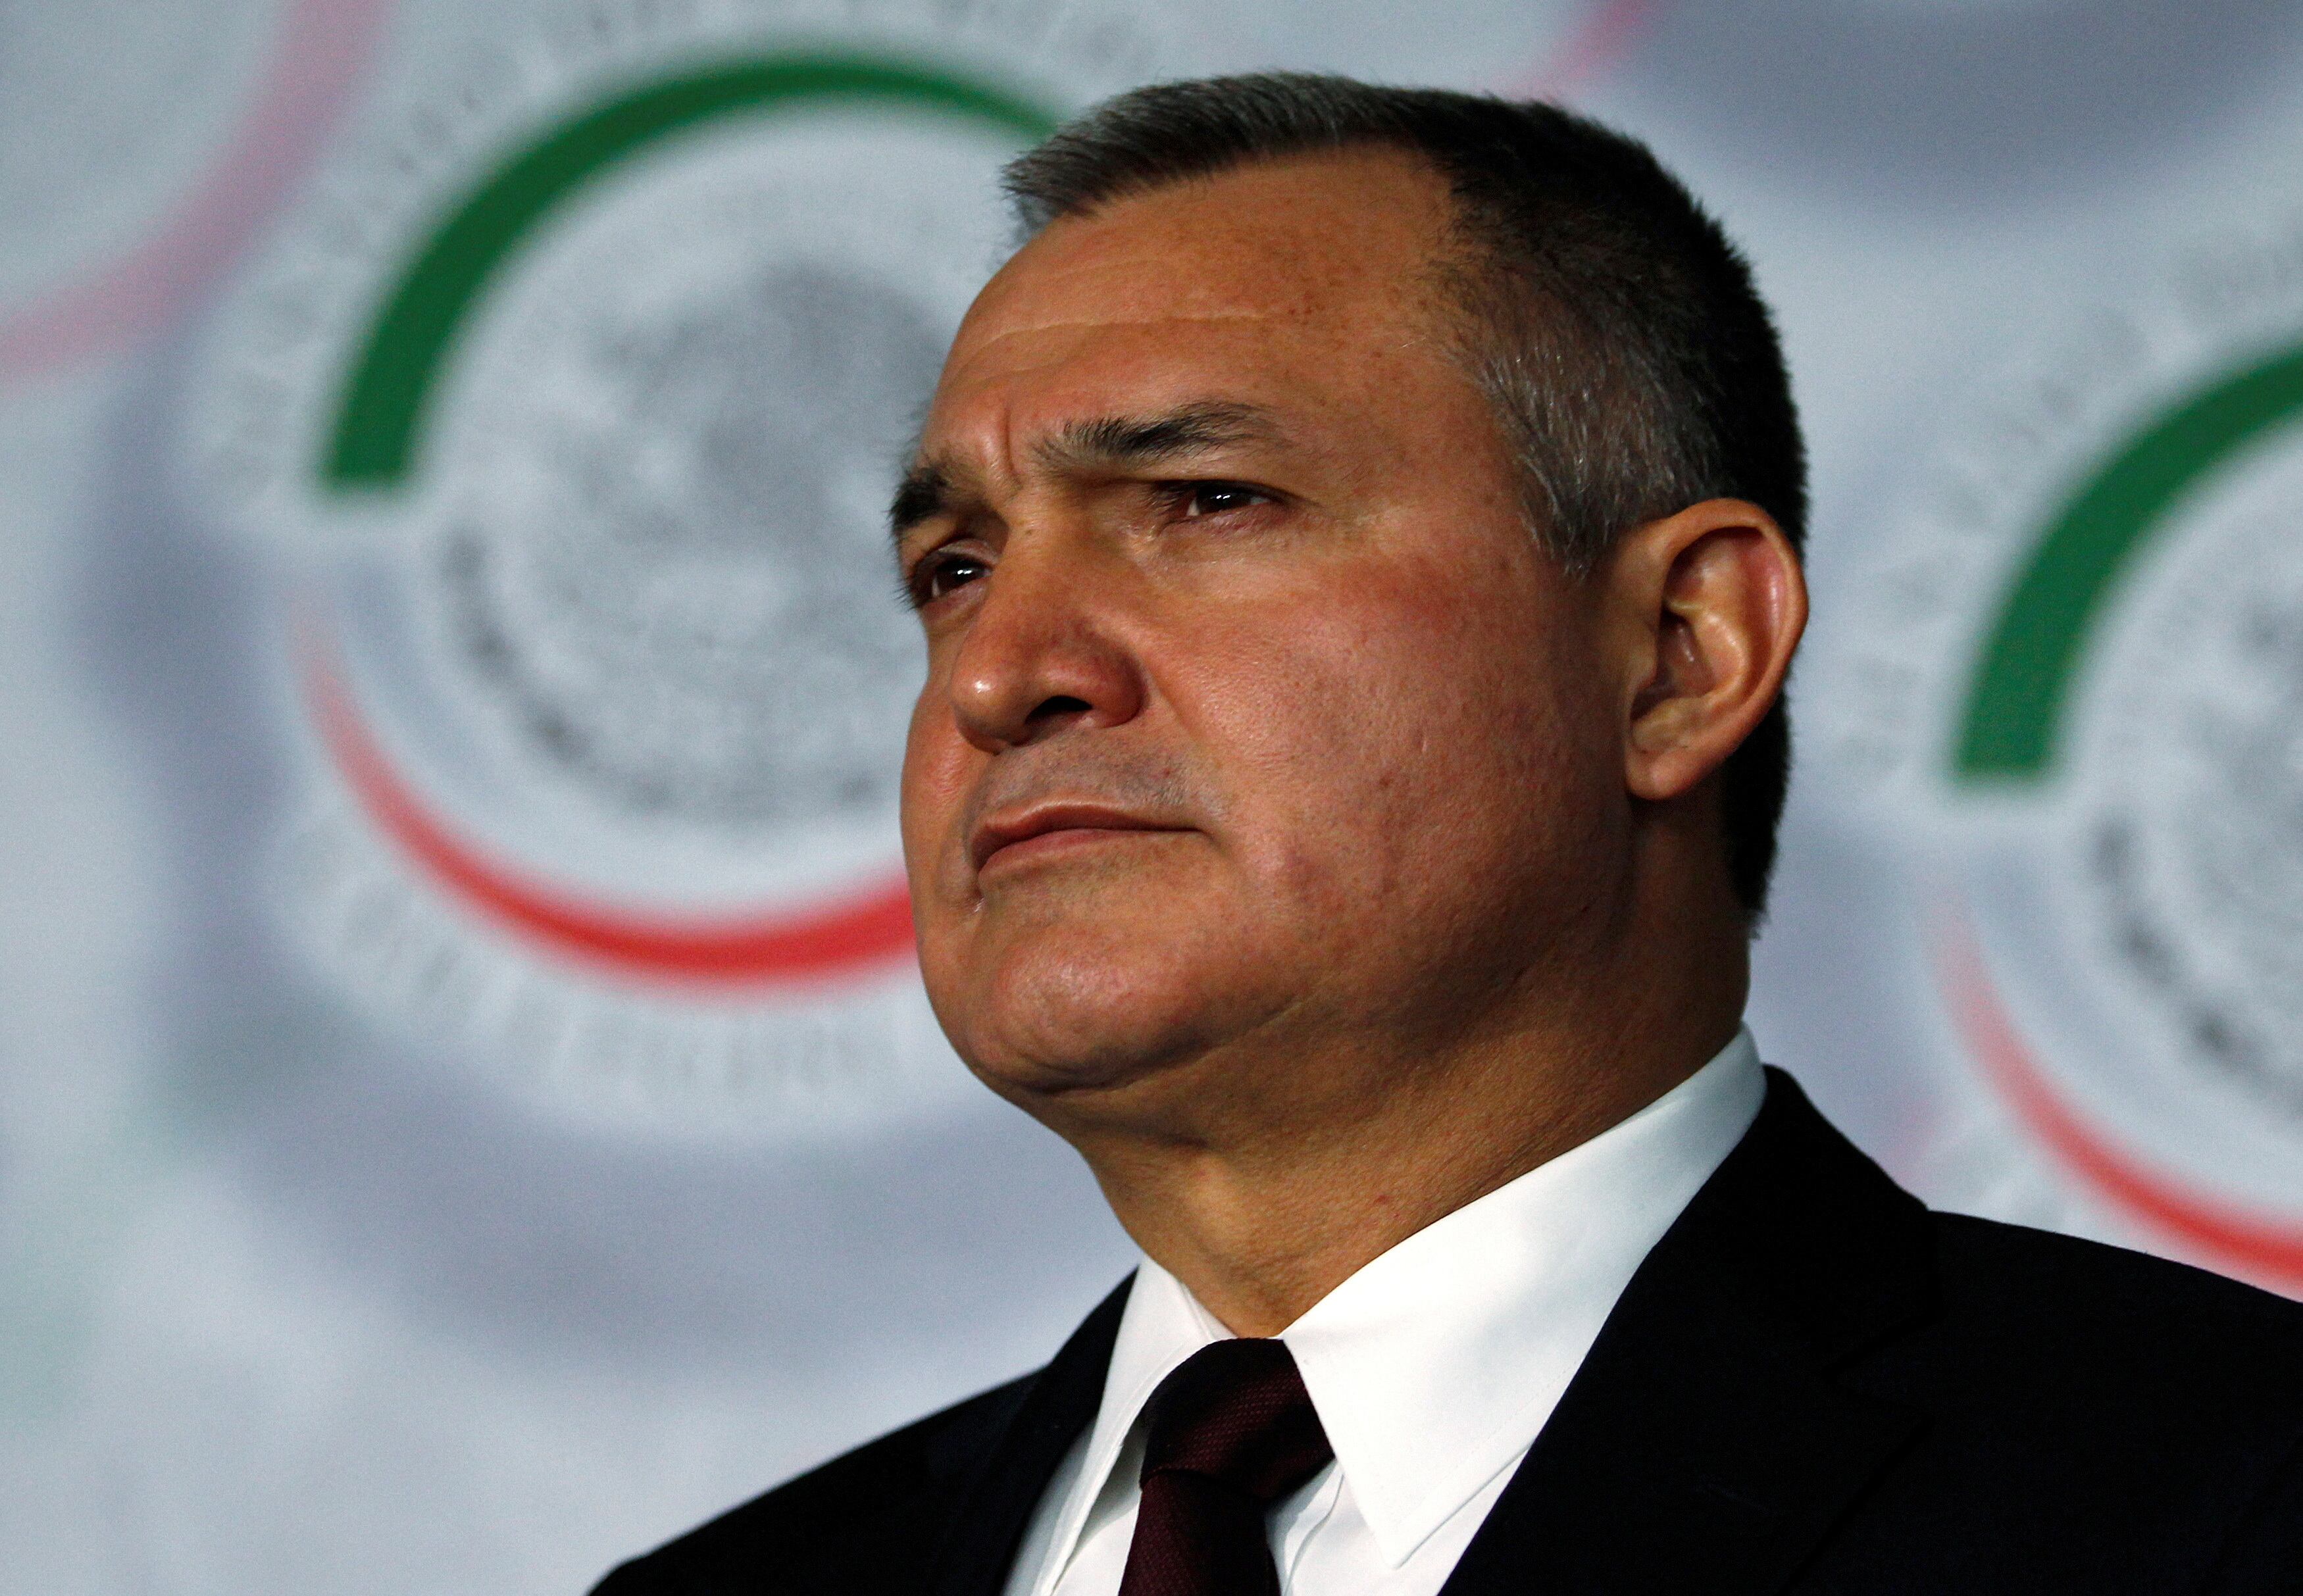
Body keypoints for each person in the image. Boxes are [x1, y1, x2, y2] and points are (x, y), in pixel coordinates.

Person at [592, 75, 2303, 1595]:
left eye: (1205, 502)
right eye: (952, 570)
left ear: (1675, 654)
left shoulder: (2225, 1503)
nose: (1001, 672)